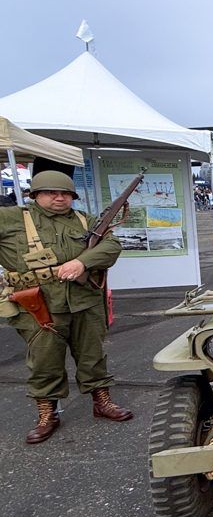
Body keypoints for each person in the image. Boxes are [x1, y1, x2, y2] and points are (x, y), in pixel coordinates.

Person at [0, 171, 132, 444]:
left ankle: (102, 402)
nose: (60, 198)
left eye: (66, 194)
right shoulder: (12, 218)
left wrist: (82, 263)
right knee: (44, 362)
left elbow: (112, 246)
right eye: (51, 193)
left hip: (84, 301)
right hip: (38, 305)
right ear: (34, 195)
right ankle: (48, 414)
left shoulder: (86, 220)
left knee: (92, 356)